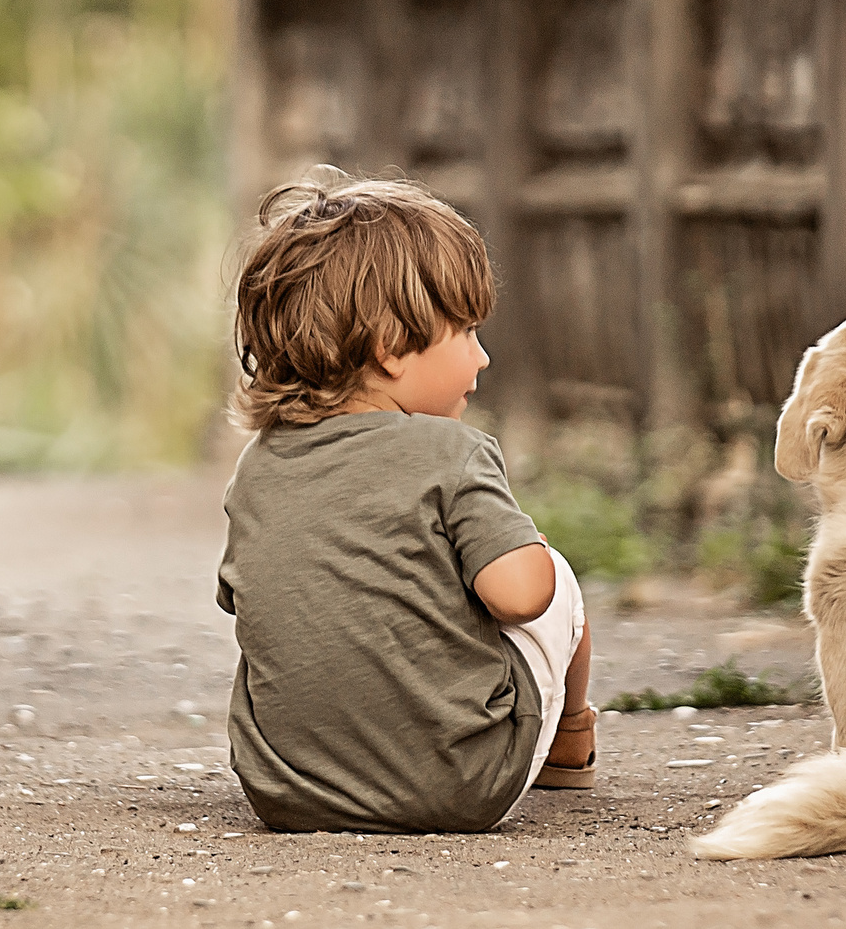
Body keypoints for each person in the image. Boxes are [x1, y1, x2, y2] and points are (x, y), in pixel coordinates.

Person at [216, 173, 595, 834]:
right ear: (391, 345)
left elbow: (250, 598)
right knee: (557, 574)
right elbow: (520, 595)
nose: (482, 357)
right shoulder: (452, 452)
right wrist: (522, 551)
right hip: (463, 782)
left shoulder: (259, 466)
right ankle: (569, 739)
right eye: (467, 331)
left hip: (284, 789)